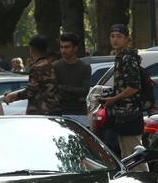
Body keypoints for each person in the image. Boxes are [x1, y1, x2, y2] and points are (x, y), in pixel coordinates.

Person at [100, 24, 147, 170]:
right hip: (122, 115)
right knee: (127, 159)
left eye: (119, 36)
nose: (115, 40)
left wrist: (114, 99)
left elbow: (134, 87)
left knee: (136, 158)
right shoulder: (119, 57)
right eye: (112, 36)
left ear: (127, 39)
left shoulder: (128, 58)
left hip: (131, 114)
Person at [4, 34, 61, 116]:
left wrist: (11, 96)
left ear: (31, 51)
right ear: (47, 50)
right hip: (55, 110)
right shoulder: (51, 65)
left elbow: (30, 92)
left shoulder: (37, 68)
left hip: (42, 113)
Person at [52, 32, 91, 127]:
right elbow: (54, 90)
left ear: (75, 48)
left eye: (67, 47)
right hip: (62, 112)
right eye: (62, 47)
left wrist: (63, 87)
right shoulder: (56, 66)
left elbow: (85, 91)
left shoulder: (85, 67)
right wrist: (77, 96)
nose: (63, 50)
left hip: (80, 112)